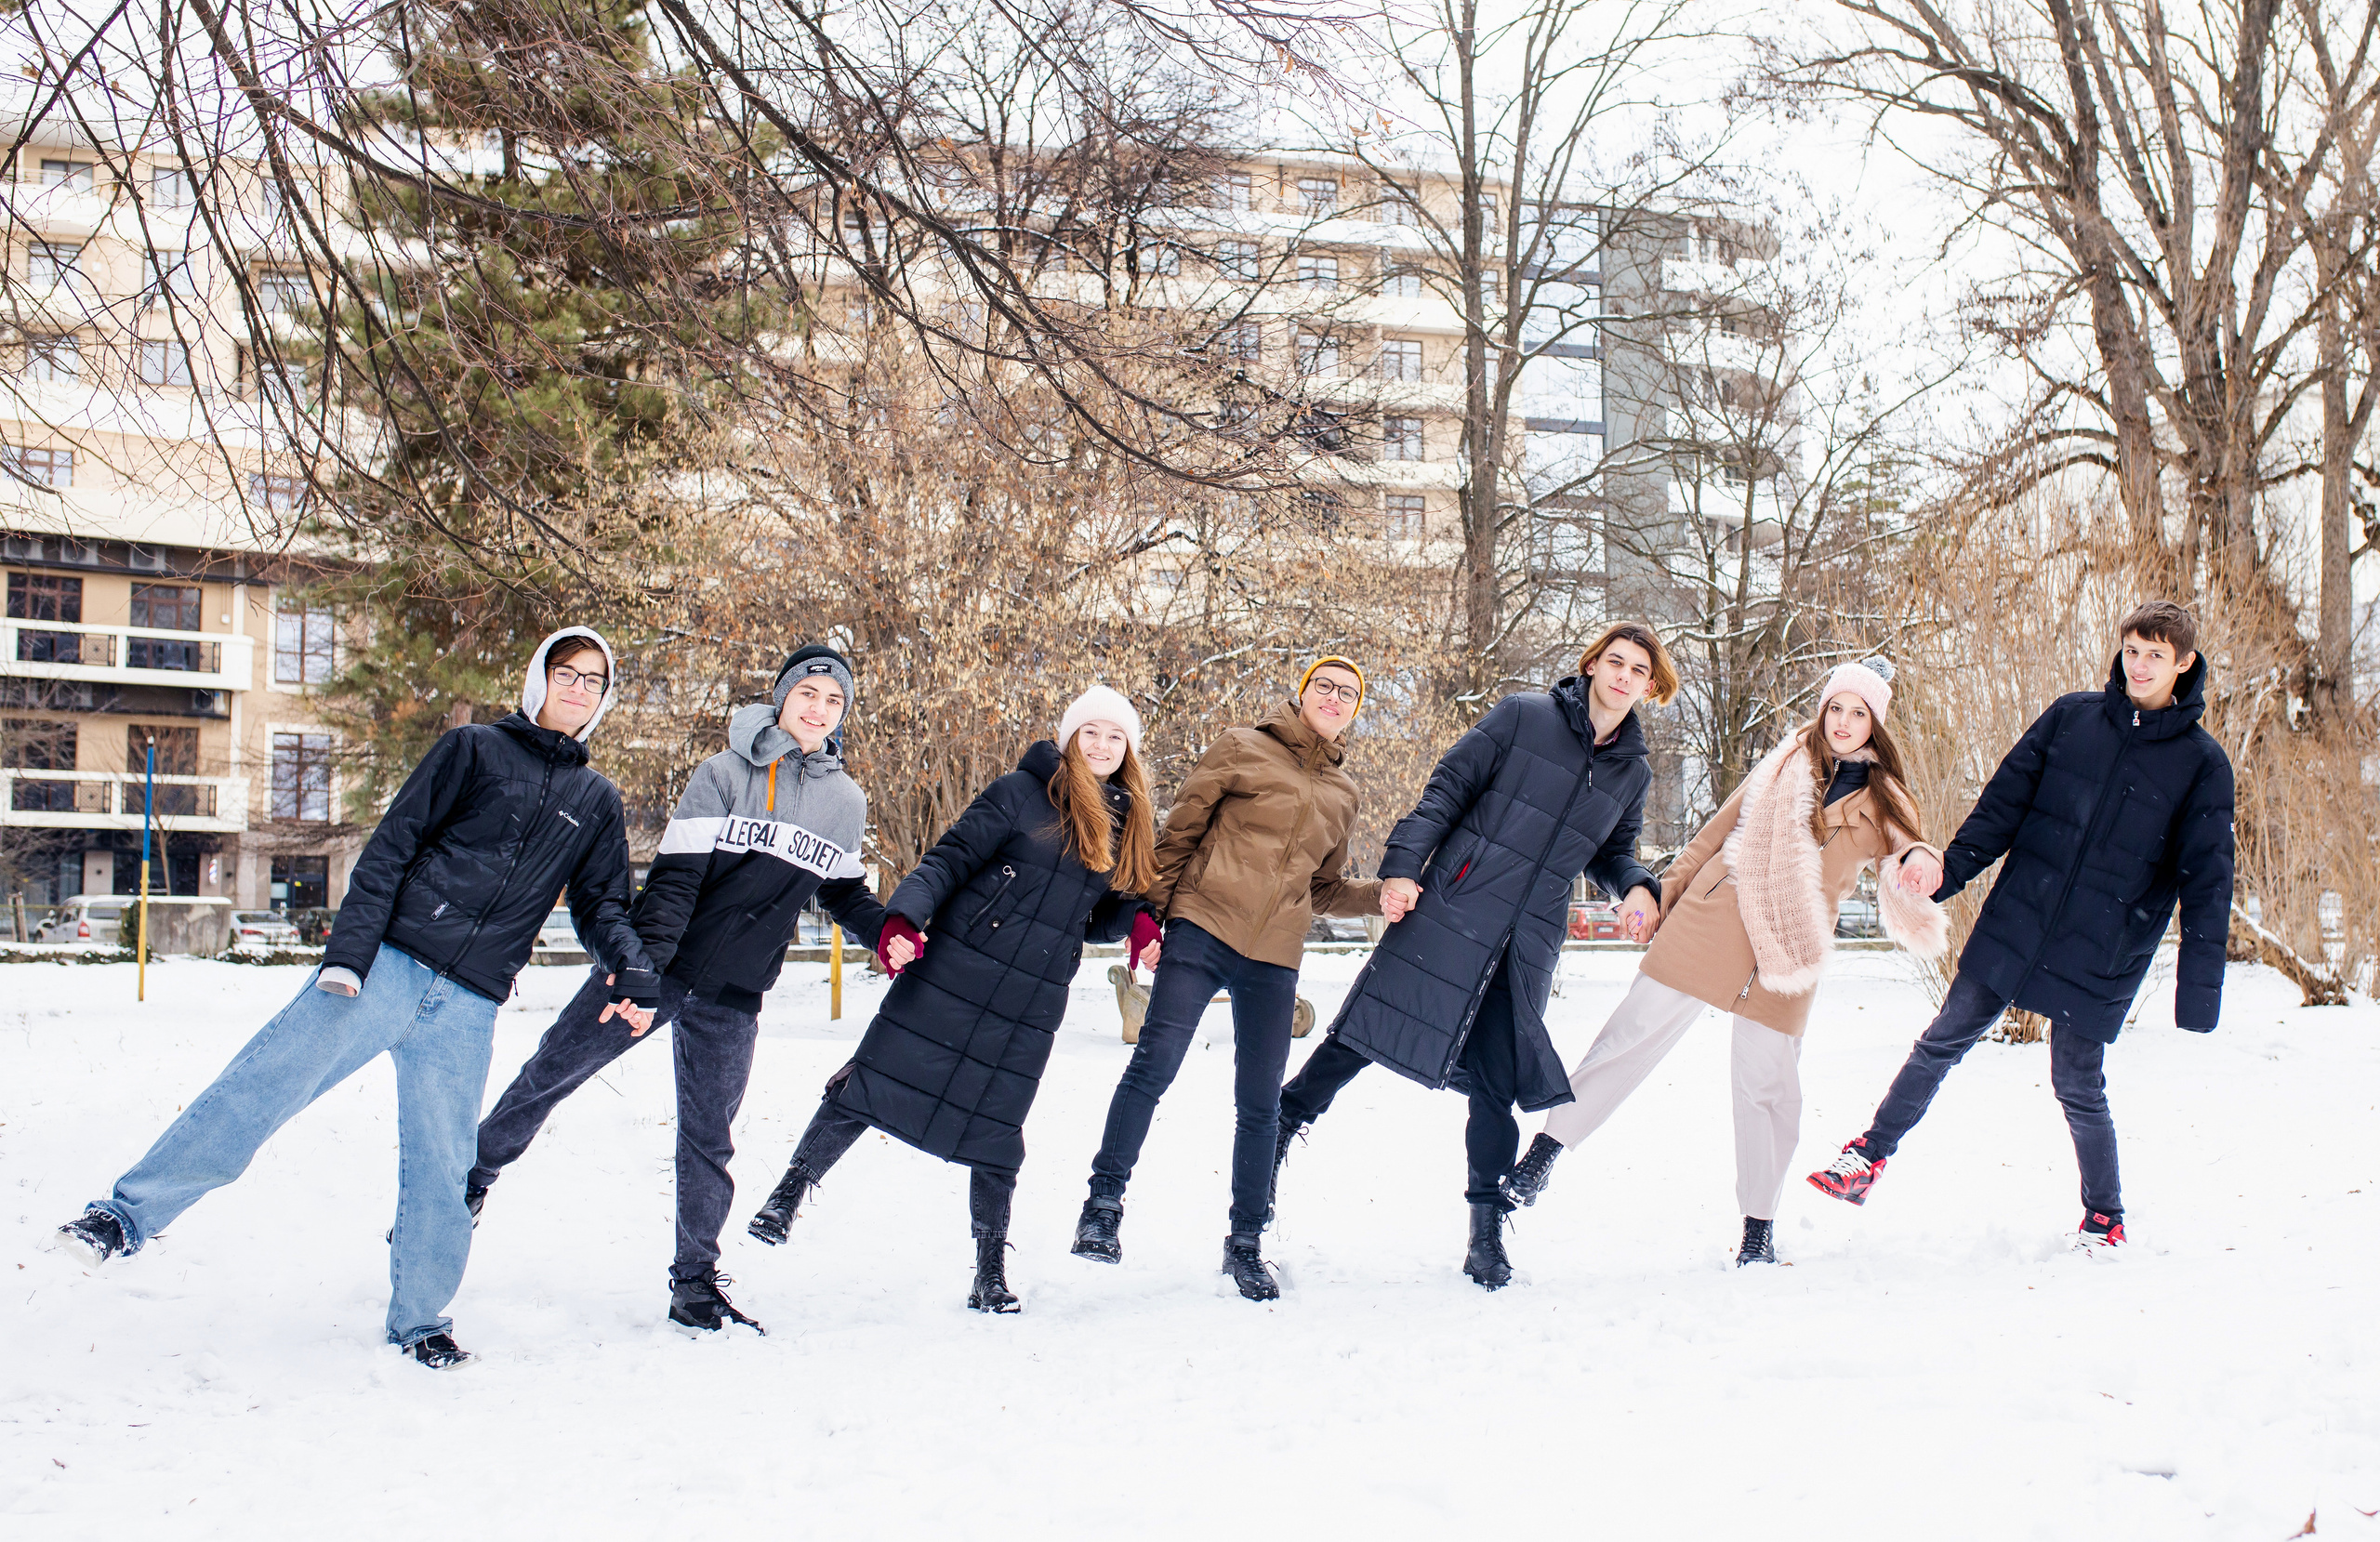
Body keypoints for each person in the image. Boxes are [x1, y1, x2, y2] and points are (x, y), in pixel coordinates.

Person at [43, 629, 659, 1369]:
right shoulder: (472, 750)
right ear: (538, 678)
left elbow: (601, 905)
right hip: (388, 965)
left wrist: (633, 969)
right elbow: (392, 848)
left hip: (468, 1002)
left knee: (443, 1163)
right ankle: (123, 1215)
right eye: (568, 673)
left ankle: (421, 1319)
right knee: (262, 1086)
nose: (580, 689)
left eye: (595, 681)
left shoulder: (595, 800)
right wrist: (348, 957)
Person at [469, 645, 886, 1337]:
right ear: (782, 697)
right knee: (550, 1073)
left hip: (737, 992)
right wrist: (641, 975)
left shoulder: (845, 800)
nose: (818, 709)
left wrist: (888, 932)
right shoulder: (724, 772)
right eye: (808, 694)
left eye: (833, 700)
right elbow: (675, 880)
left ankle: (693, 1284)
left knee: (708, 1139)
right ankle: (469, 1182)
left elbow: (842, 890)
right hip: (658, 969)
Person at [1807, 601, 2236, 1250]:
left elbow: (2207, 879)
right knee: (1942, 1038)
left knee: (2077, 1082)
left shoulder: (2202, 764)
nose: (2141, 664)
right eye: (2133, 649)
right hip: (2019, 919)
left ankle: (2105, 1215)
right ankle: (1868, 1154)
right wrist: (1946, 872)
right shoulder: (2072, 719)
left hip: (2104, 948)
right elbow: (2002, 806)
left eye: (2156, 653)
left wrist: (2200, 990)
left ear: (2184, 662)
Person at [1498, 657, 1950, 1267]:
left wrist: (1921, 859)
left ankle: (1757, 1228)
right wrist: (1665, 897)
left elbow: (1909, 851)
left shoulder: (1886, 799)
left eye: (1858, 712)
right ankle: (1546, 1150)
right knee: (1629, 1035)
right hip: (1713, 918)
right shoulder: (1785, 761)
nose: (1842, 722)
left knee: (1770, 1086)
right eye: (1836, 707)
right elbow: (1714, 833)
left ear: (1876, 724)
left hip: (1788, 951)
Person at [1273, 623, 1674, 1290]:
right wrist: (1403, 867)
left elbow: (1610, 851)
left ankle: (1484, 1231)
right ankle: (1284, 1123)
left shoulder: (1632, 770)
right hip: (1455, 906)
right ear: (1593, 665)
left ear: (1652, 687)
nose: (1624, 675)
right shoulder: (1524, 715)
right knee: (1370, 1025)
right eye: (1615, 661)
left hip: (1530, 937)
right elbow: (1447, 789)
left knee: (1496, 1077)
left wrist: (1635, 883)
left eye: (1639, 669)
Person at [744, 686, 1159, 1313]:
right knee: (874, 1078)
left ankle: (989, 1271)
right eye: (1091, 732)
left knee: (997, 1126)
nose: (1101, 745)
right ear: (1071, 737)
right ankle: (787, 1195)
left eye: (1115, 736)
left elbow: (1088, 916)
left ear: (1128, 749)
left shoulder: (1127, 821)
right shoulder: (1022, 793)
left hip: (1030, 996)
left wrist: (1138, 922)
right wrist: (903, 920)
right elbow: (949, 860)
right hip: (955, 969)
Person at [1070, 658, 1387, 1302]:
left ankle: (1245, 1241)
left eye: (1348, 692)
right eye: (1323, 685)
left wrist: (1384, 896)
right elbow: (1178, 835)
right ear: (1302, 694)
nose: (1334, 697)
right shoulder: (1242, 747)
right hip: (1203, 925)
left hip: (1274, 954)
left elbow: (1322, 887)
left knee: (1261, 1100)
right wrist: (1150, 920)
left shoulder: (1343, 792)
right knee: (1154, 1064)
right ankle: (1103, 1204)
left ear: (1355, 709)